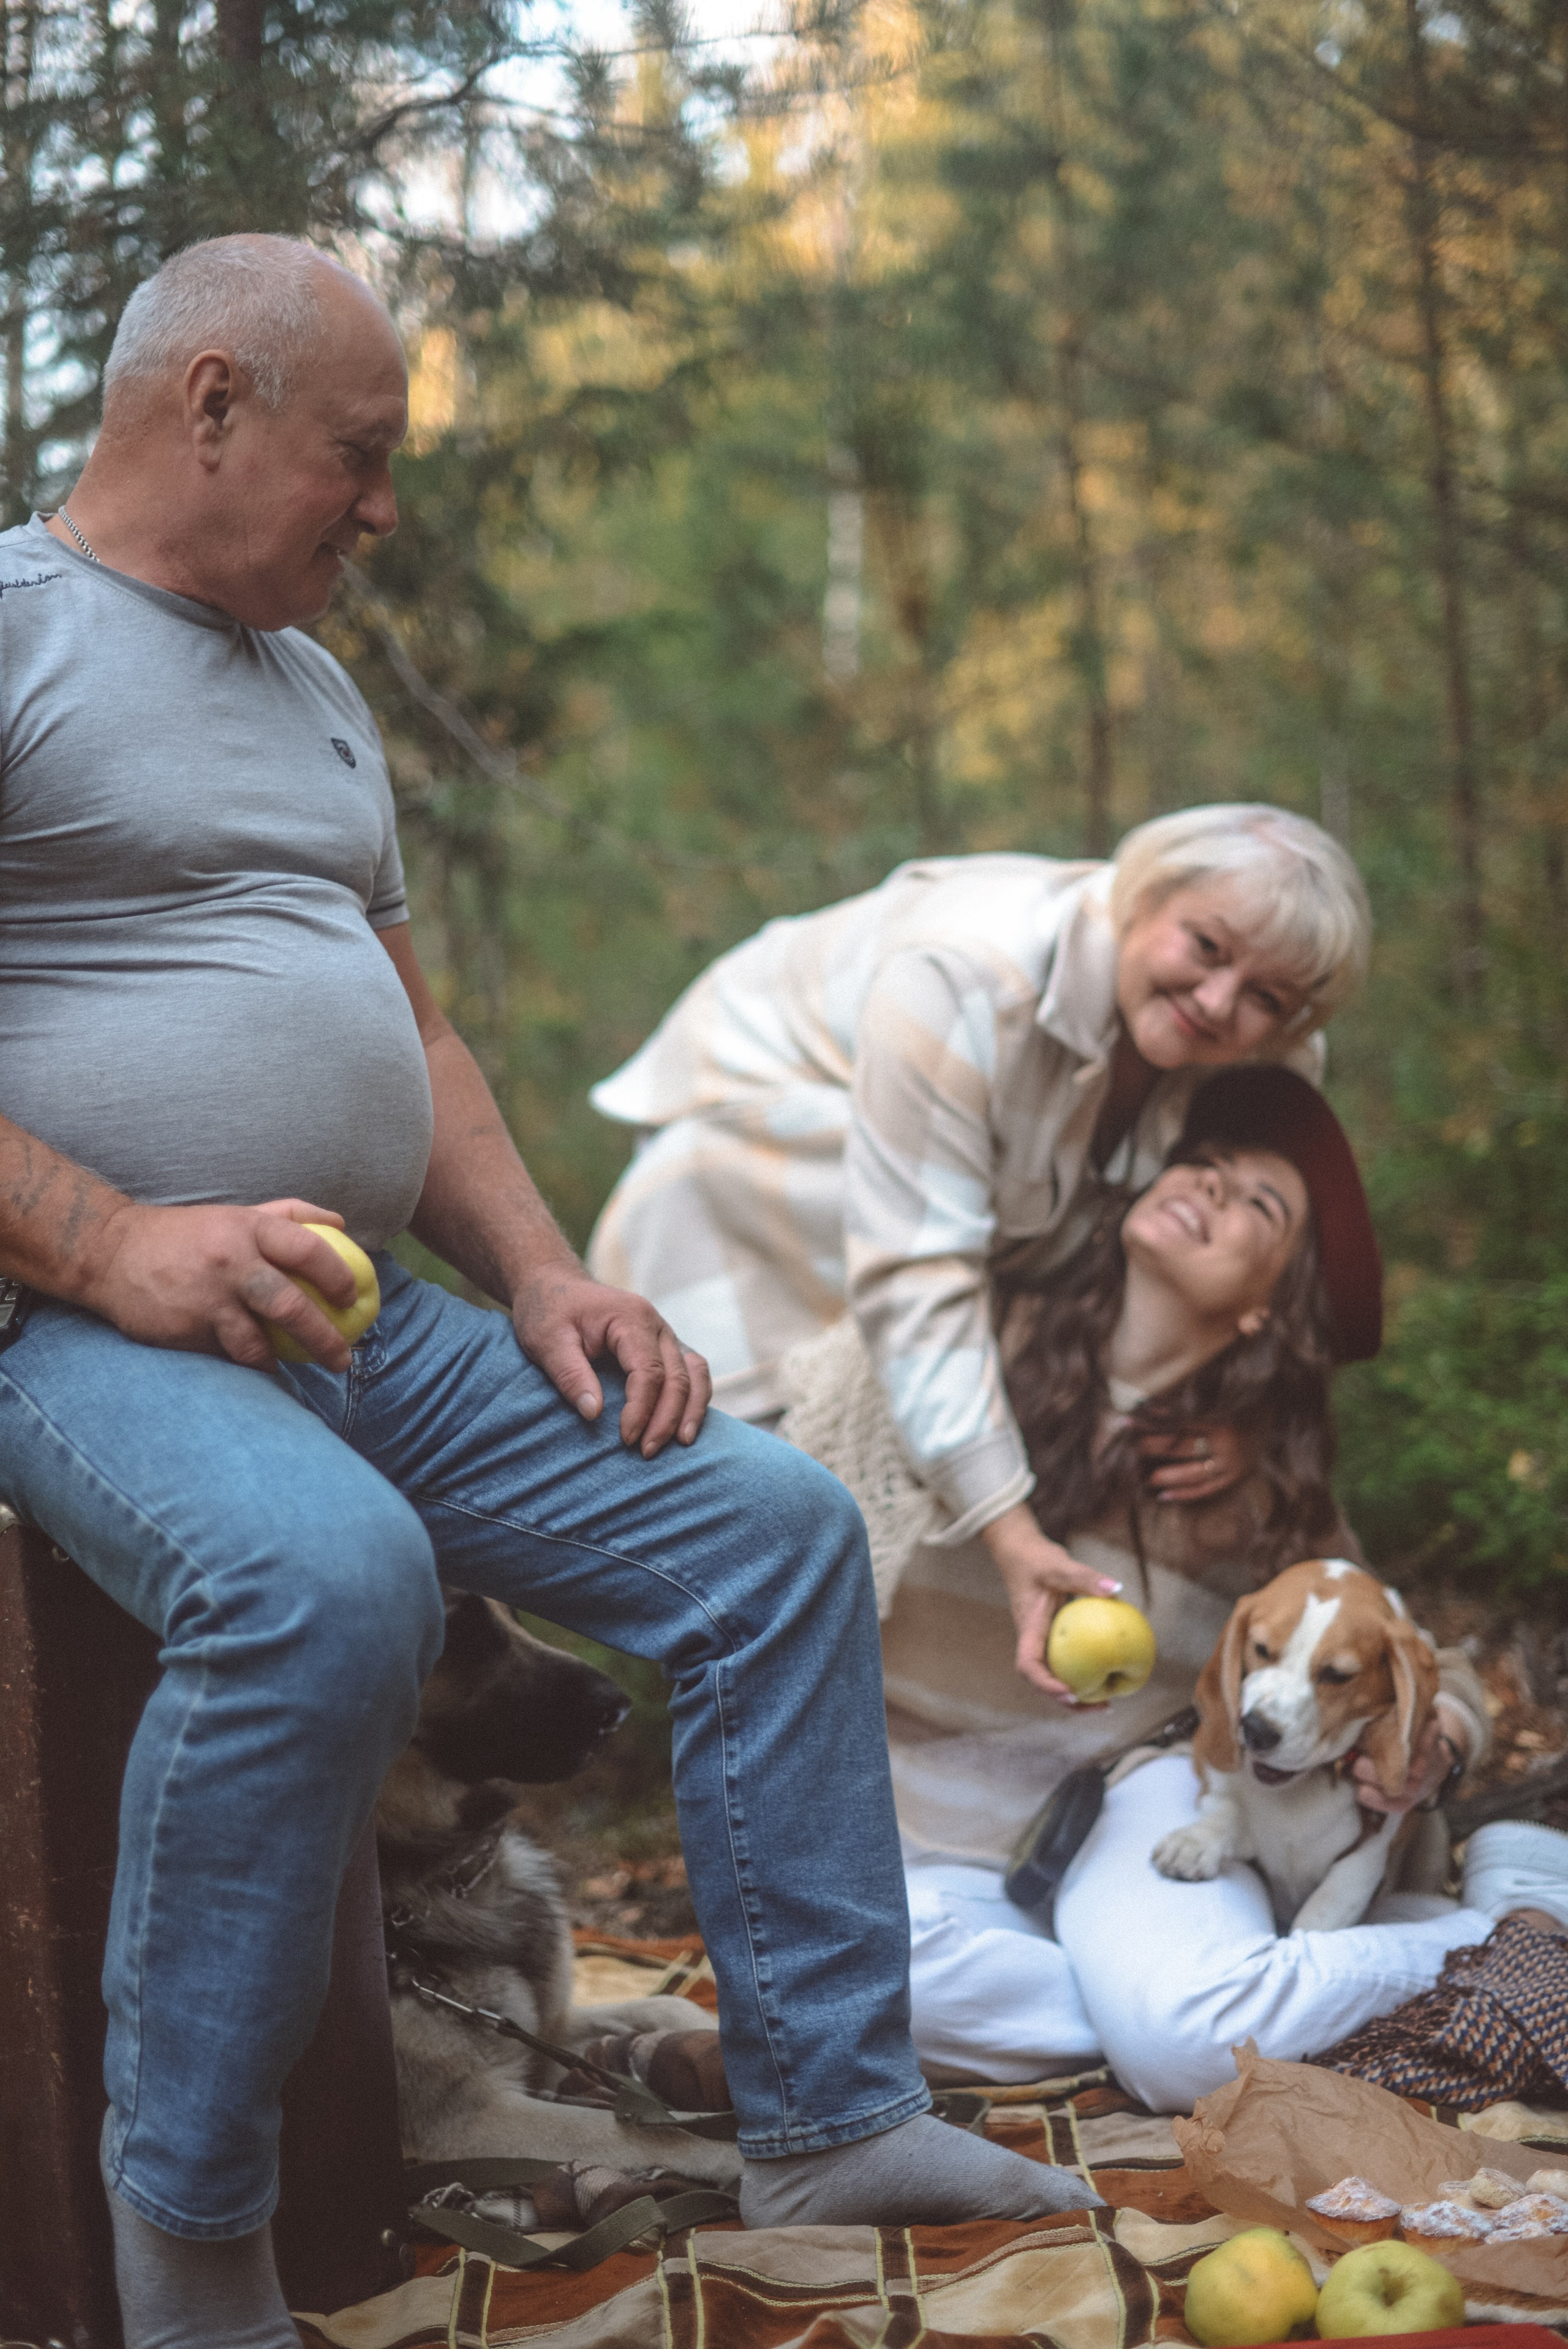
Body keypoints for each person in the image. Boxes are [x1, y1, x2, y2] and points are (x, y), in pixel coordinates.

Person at [0, 235, 1093, 2349]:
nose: (386, 506)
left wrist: (542, 1269)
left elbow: (418, 1038)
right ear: (207, 402)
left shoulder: (314, 695)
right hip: (80, 1322)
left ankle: (829, 2108)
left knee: (769, 1528)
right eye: (362, 453)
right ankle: (191, 2225)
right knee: (328, 1584)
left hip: (363, 1311)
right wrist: (110, 1238)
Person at [774, 1068, 1568, 2108]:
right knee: (832, 1993)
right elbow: (794, 1516)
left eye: (1259, 1205)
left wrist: (1437, 1743)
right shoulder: (950, 1366)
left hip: (1123, 1816)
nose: (1211, 1188)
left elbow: (1427, 1661)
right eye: (1205, 1164)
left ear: (1266, 1306)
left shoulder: (1257, 1492)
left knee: (1186, 2050)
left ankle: (1514, 1925)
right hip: (927, 1835)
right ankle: (1193, 1997)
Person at [589, 809, 1372, 1691]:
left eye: (1267, 995)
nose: (1222, 1002)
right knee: (776, 1527)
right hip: (756, 1174)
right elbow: (920, 1272)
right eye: (1206, 947)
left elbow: (1252, 1274)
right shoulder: (966, 978)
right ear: (1143, 897)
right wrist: (1008, 1525)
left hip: (942, 1240)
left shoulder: (1274, 1057)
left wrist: (1241, 1415)